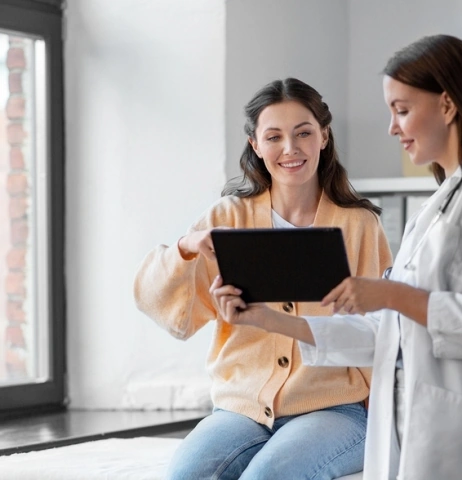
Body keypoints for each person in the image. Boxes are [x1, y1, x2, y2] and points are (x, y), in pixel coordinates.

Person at [210, 34, 462, 480]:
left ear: (448, 106)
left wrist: (391, 294)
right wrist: (268, 319)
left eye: (403, 109)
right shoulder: (441, 203)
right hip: (424, 425)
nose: (393, 127)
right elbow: (387, 335)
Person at [133, 77, 392, 480]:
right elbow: (157, 302)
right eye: (274, 137)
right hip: (242, 406)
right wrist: (185, 246)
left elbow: (381, 327)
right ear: (255, 144)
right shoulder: (227, 217)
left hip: (334, 407)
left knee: (266, 477)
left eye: (303, 133)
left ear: (324, 136)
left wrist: (382, 415)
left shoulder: (359, 225)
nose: (290, 149)